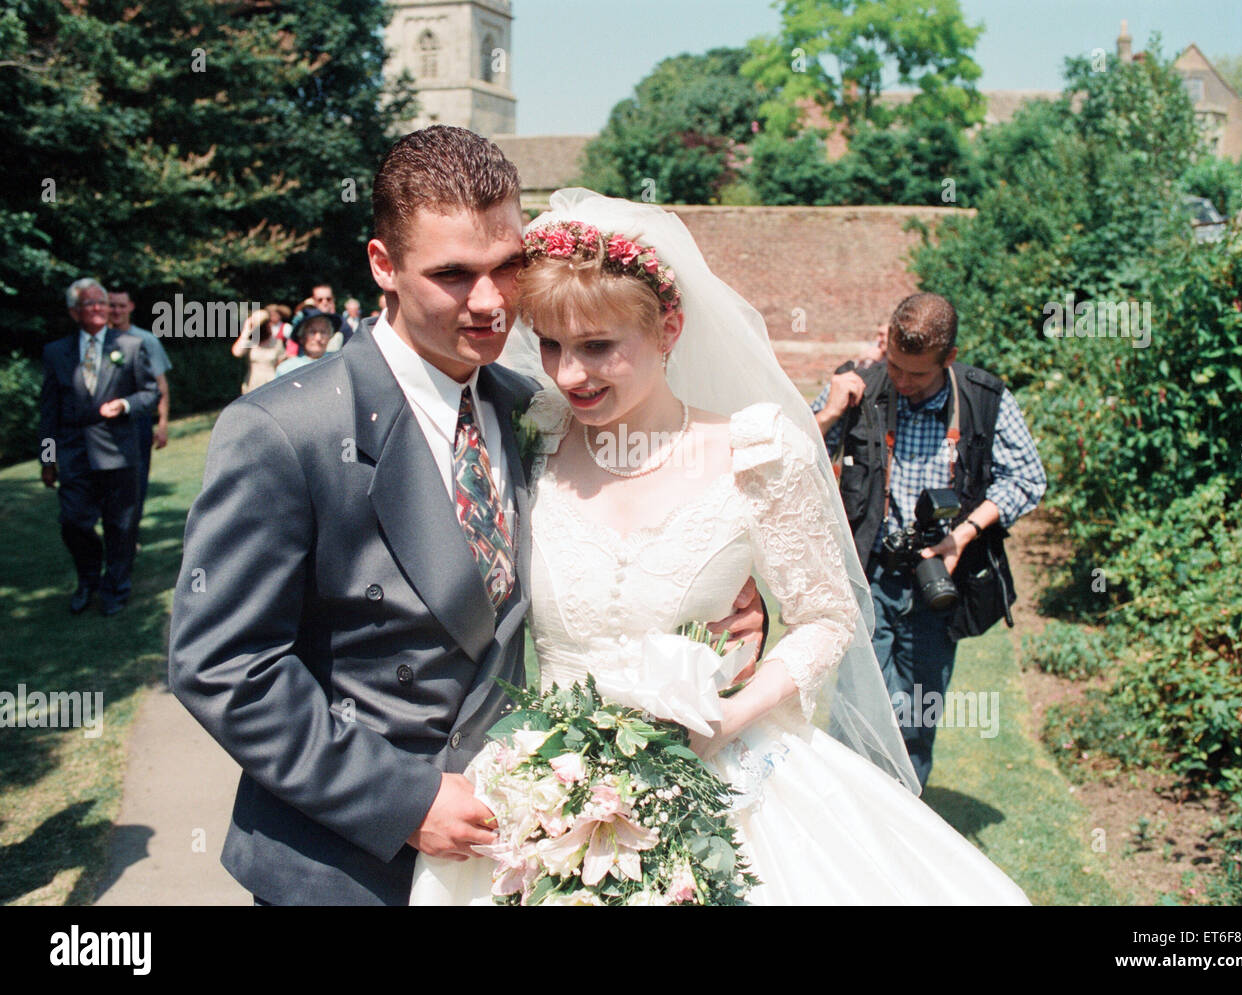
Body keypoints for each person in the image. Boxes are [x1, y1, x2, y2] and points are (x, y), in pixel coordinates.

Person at [167, 127, 761, 906]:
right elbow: (224, 665)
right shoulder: (286, 430)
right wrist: (403, 800)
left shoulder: (534, 410)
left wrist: (716, 601)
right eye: (451, 274)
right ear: (383, 265)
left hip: (514, 851)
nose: (489, 304)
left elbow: (627, 551)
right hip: (344, 866)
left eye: (507, 266)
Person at [410, 189, 1030, 905]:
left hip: (722, 770)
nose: (569, 373)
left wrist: (724, 716)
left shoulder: (757, 455)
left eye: (599, 346)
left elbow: (827, 620)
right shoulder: (532, 437)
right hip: (539, 785)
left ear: (669, 326)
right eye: (551, 344)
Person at [812, 293, 1047, 787]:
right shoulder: (862, 384)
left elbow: (1027, 478)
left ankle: (902, 829)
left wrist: (963, 534)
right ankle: (845, 821)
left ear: (949, 359)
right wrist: (830, 412)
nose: (900, 381)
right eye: (895, 365)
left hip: (939, 578)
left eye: (916, 374)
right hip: (868, 572)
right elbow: (792, 456)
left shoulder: (984, 398)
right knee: (854, 712)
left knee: (916, 718)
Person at [39, 278, 159, 616]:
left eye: (102, 303)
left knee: (121, 525)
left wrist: (124, 405)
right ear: (74, 311)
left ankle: (116, 587)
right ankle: (87, 579)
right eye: (90, 304)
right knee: (73, 522)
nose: (98, 309)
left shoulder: (132, 346)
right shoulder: (56, 352)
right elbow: (48, 412)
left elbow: (151, 394)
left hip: (119, 451)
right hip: (74, 453)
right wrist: (47, 460)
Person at [107, 288, 172, 538]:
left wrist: (163, 422)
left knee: (135, 481)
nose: (116, 310)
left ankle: (128, 536)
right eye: (112, 305)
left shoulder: (146, 340)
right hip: (104, 423)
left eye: (121, 305)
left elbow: (160, 385)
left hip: (137, 422)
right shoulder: (99, 341)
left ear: (131, 307)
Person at [231, 308, 286, 393]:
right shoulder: (250, 342)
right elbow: (237, 353)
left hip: (271, 383)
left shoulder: (277, 343)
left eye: (265, 324)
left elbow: (281, 364)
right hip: (252, 384)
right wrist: (246, 331)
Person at [275, 306, 339, 378]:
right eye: (312, 332)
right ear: (302, 337)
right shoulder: (286, 370)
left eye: (323, 332)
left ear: (330, 336)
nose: (318, 338)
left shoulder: (338, 364)